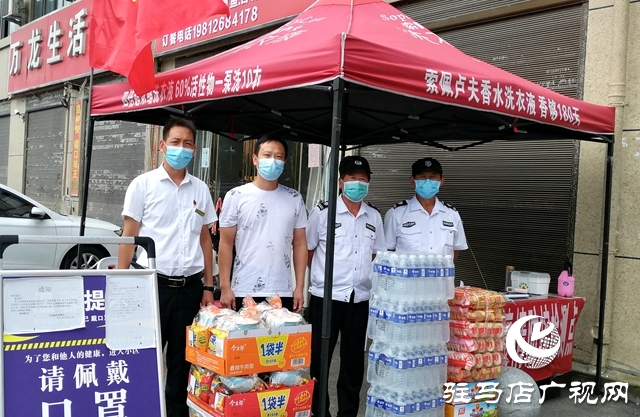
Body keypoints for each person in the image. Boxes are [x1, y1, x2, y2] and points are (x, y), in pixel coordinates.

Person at [117, 117, 216, 417]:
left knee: (182, 363)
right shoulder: (143, 185)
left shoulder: (201, 189)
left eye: (188, 144)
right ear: (162, 145)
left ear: (194, 150)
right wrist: (121, 283)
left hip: (190, 289)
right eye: (175, 142)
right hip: (152, 287)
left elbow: (205, 240)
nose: (181, 149)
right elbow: (129, 235)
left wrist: (209, 286)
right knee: (144, 357)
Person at [306, 155, 386, 417]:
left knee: (353, 363)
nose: (358, 183)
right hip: (326, 298)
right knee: (320, 360)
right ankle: (320, 412)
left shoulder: (374, 216)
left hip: (359, 299)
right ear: (340, 182)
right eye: (352, 178)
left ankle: (348, 413)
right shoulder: (322, 212)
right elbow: (308, 251)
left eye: (363, 179)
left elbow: (377, 254)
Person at [218, 134, 308, 312]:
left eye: (278, 156)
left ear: (284, 162)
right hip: (243, 288)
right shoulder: (236, 196)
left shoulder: (294, 198)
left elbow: (300, 244)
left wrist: (299, 287)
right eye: (267, 155)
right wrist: (225, 286)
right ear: (255, 159)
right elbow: (226, 243)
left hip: (282, 291)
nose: (272, 161)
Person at [384, 157, 468, 260]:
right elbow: (387, 251)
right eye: (422, 177)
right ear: (412, 181)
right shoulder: (396, 214)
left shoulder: (452, 214)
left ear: (441, 180)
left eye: (433, 177)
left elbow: (455, 249)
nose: (427, 181)